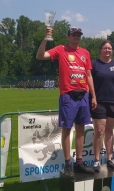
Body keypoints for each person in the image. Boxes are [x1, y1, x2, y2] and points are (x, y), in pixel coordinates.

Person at [36, 27, 96, 178]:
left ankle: (79, 162)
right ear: (68, 36)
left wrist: (93, 95)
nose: (77, 37)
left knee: (81, 129)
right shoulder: (61, 49)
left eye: (79, 35)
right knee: (67, 129)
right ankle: (68, 163)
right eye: (74, 35)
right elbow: (40, 56)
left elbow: (88, 75)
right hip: (68, 96)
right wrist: (45, 38)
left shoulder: (85, 53)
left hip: (83, 95)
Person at [91, 40, 114, 171]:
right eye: (105, 48)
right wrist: (93, 97)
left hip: (113, 102)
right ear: (100, 50)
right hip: (99, 102)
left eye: (110, 48)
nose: (107, 50)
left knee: (109, 131)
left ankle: (110, 158)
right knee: (99, 131)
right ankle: (96, 160)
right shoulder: (94, 64)